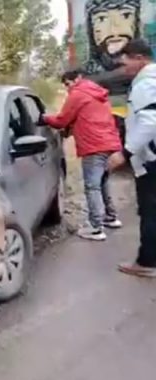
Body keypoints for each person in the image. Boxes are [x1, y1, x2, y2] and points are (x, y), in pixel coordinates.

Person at [40, 69, 123, 241]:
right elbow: (83, 118)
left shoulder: (78, 94)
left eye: (68, 84)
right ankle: (111, 217)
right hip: (110, 143)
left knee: (92, 186)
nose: (68, 88)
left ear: (77, 79)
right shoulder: (98, 94)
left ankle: (96, 228)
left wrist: (44, 118)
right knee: (102, 182)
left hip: (93, 146)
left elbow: (61, 120)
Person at [108, 39, 156, 278]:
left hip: (151, 161)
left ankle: (147, 262)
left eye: (125, 59)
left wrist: (125, 153)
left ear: (140, 59)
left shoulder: (146, 83)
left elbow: (149, 122)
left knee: (150, 211)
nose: (122, 65)